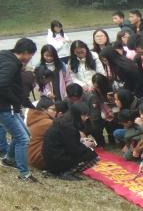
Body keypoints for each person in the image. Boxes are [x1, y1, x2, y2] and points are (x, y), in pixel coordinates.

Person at [0, 38, 39, 182]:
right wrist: (15, 101)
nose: (30, 59)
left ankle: (9, 159)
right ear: (26, 52)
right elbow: (2, 85)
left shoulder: (5, 55)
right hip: (6, 107)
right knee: (23, 139)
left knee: (25, 134)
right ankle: (24, 174)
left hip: (9, 106)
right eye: (31, 55)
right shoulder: (11, 64)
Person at [42, 102, 98, 180]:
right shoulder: (69, 127)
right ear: (77, 115)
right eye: (84, 115)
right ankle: (66, 172)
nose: (86, 118)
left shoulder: (64, 121)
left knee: (86, 150)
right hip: (56, 160)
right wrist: (86, 145)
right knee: (92, 155)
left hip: (50, 158)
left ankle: (63, 170)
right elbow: (74, 149)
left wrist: (81, 141)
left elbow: (66, 141)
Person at [26, 96, 57, 171]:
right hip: (39, 159)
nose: (56, 112)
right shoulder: (48, 123)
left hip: (31, 156)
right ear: (43, 109)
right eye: (53, 109)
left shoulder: (35, 119)